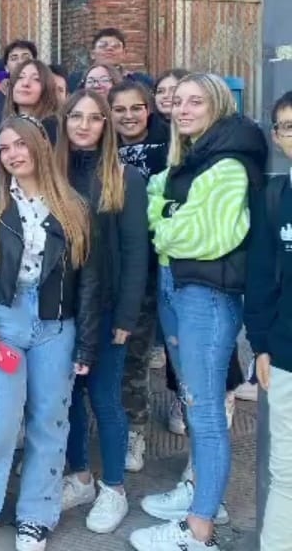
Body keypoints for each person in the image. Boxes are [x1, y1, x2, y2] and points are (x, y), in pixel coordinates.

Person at [0, 115, 99, 551]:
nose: (13, 154)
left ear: (40, 147)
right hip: (3, 319)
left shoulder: (74, 204)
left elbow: (90, 279)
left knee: (49, 421)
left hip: (56, 324)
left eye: (21, 145)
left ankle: (37, 514)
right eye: (5, 148)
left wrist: (87, 341)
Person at [130, 73, 267, 551]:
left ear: (218, 106)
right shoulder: (190, 158)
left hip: (206, 296)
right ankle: (198, 495)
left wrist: (166, 222)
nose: (183, 110)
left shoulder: (229, 163)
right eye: (179, 102)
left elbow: (206, 237)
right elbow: (154, 203)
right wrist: (169, 217)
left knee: (205, 411)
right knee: (193, 404)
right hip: (177, 286)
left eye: (196, 102)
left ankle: (200, 529)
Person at [57, 90, 148, 535]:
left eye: (95, 118)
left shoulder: (125, 178)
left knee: (105, 399)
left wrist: (126, 319)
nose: (84, 125)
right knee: (68, 397)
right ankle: (79, 476)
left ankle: (114, 486)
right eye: (76, 116)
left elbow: (135, 255)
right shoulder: (53, 173)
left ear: (106, 125)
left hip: (109, 309)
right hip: (61, 310)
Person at [108, 80, 169, 474]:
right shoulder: (102, 150)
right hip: (107, 264)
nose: (128, 116)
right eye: (120, 109)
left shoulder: (168, 147)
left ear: (148, 110)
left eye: (136, 108)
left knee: (135, 355)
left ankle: (136, 430)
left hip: (147, 265)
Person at [245, 90, 292, 550]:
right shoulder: (277, 198)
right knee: (287, 474)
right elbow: (260, 277)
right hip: (285, 354)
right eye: (285, 126)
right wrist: (260, 342)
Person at [0, 59, 59, 160]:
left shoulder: (52, 127)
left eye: (36, 79)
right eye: (20, 77)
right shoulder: (0, 123)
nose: (25, 83)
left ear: (47, 88)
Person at [69, 28, 153, 92]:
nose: (109, 49)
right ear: (92, 54)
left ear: (124, 53)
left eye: (115, 46)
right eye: (103, 46)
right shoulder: (75, 80)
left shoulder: (141, 81)